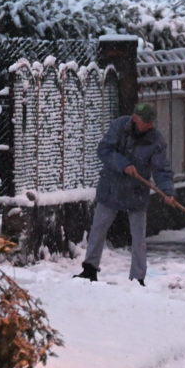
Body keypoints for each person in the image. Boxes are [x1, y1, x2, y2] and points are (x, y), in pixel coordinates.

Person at [74, 102, 177, 285]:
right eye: (145, 121)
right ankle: (90, 268)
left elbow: (162, 170)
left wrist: (167, 191)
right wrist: (123, 165)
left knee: (138, 237)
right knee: (98, 229)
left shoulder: (156, 141)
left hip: (136, 192)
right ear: (135, 118)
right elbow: (104, 150)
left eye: (151, 121)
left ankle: (138, 277)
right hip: (111, 187)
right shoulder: (119, 127)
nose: (149, 125)